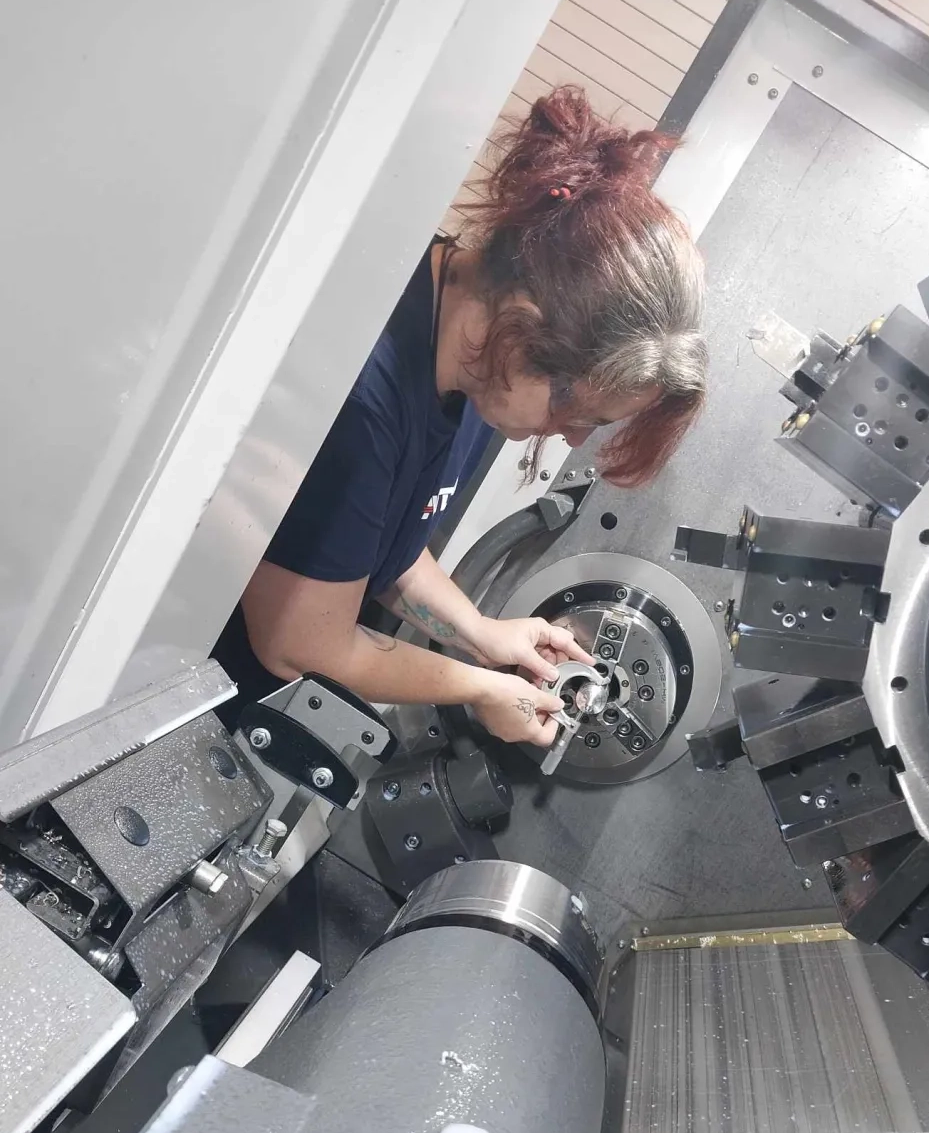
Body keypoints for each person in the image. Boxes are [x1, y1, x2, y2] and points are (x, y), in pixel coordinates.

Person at [215, 86, 707, 747]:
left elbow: (378, 545)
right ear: (519, 328)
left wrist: (483, 635)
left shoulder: (476, 378)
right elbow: (299, 644)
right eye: (573, 407)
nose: (570, 435)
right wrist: (481, 687)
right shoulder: (362, 391)